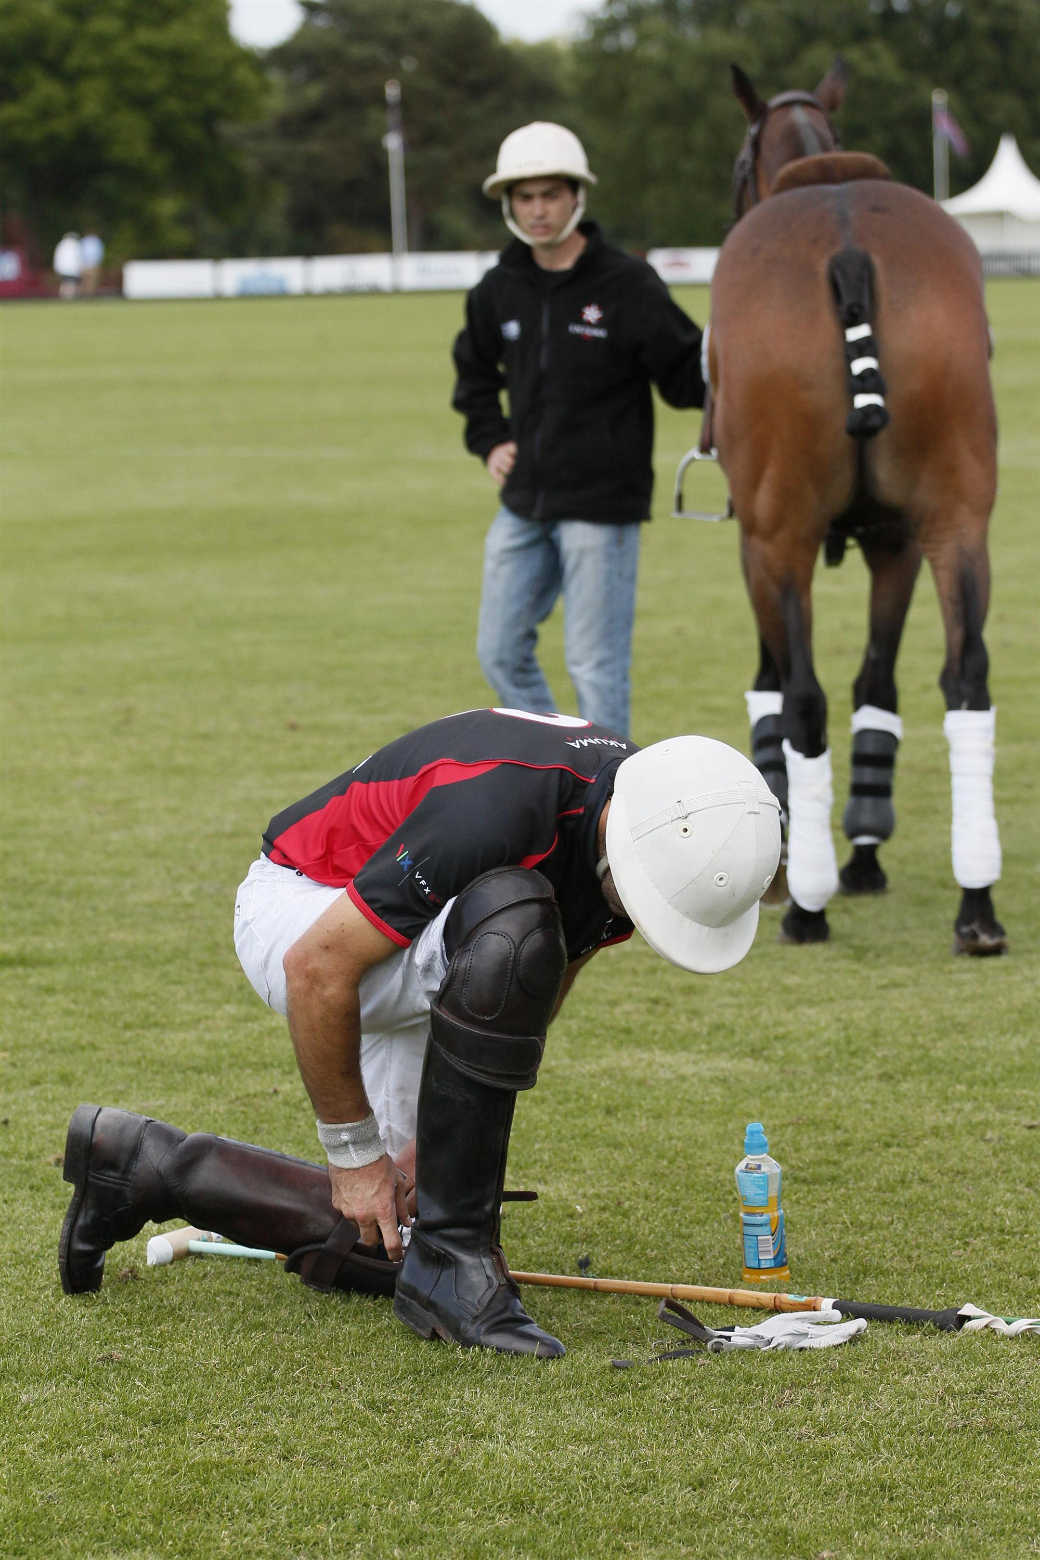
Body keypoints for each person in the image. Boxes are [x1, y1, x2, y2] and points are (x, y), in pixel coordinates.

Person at [58, 708, 780, 1357]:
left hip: (423, 939)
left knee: (387, 1239)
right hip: (307, 909)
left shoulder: (650, 811)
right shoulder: (501, 807)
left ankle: (140, 1166)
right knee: (516, 927)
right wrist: (354, 1156)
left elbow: (547, 982)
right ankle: (455, 1260)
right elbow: (317, 967)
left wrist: (420, 1154)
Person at [453, 123, 706, 739]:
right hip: (525, 502)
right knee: (498, 650)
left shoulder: (628, 285)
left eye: (550, 195)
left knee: (595, 668)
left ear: (577, 198)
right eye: (524, 197)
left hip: (601, 506)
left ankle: (610, 805)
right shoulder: (498, 288)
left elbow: (686, 378)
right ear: (508, 204)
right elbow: (473, 372)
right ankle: (558, 765)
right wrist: (490, 438)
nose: (538, 210)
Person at [52, 232, 82, 299]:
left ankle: (63, 296)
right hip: (73, 269)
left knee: (64, 282)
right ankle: (69, 297)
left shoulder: (60, 244)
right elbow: (78, 257)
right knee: (71, 283)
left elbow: (57, 257)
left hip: (62, 268)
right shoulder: (76, 245)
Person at [80, 231, 105, 296]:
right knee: (86, 281)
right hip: (86, 264)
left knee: (93, 281)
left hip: (93, 264)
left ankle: (90, 295)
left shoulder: (96, 242)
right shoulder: (84, 241)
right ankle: (85, 295)